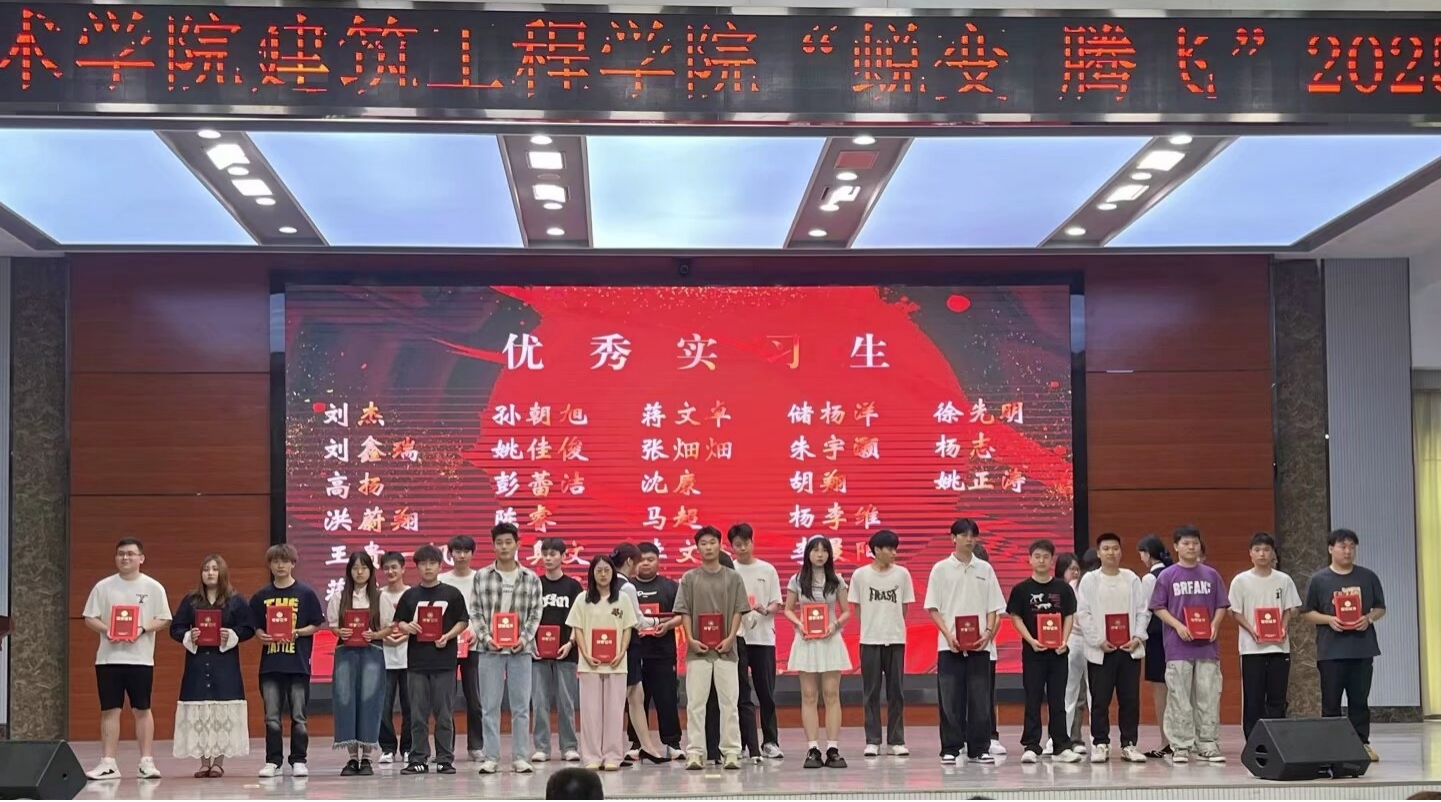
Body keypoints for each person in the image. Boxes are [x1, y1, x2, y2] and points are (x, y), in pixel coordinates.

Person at [82, 537, 173, 781]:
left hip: (141, 660)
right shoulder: (103, 586)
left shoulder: (153, 587)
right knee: (109, 710)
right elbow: (90, 617)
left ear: (141, 558)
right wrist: (107, 630)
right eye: (121, 553)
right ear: (115, 558)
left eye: (131, 554)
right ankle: (108, 763)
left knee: (142, 709)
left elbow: (164, 619)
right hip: (108, 659)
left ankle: (146, 762)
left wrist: (142, 628)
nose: (125, 557)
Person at [924, 518, 1005, 765]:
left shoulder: (985, 569)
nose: (969, 539)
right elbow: (933, 608)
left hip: (980, 645)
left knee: (980, 698)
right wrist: (947, 634)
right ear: (953, 538)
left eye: (973, 535)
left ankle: (980, 748)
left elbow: (994, 607)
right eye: (964, 535)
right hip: (949, 645)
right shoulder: (940, 569)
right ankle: (951, 747)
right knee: (950, 698)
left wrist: (988, 633)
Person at [1301, 528, 1386, 762]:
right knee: (1331, 702)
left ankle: (1362, 744)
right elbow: (1307, 613)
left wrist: (1368, 618)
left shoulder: (1368, 577)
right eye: (1342, 546)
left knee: (1359, 701)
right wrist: (1329, 619)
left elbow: (1380, 608)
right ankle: (1331, 747)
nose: (1348, 551)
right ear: (1331, 549)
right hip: (1331, 651)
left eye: (1352, 547)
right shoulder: (1319, 579)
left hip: (1362, 649)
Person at [1148, 525, 1228, 764]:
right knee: (1179, 697)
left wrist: (1214, 624)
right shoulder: (1167, 575)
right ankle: (1180, 746)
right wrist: (1178, 626)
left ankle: (1207, 744)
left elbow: (1222, 605)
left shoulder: (1211, 575)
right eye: (1185, 543)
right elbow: (1158, 607)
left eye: (1195, 543)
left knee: (1208, 696)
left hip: (1207, 648)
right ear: (1176, 546)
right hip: (1177, 647)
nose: (1191, 547)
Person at [674, 525, 750, 770]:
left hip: (726, 651)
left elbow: (738, 610)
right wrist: (690, 638)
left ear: (720, 545)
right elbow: (684, 611)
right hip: (697, 652)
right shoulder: (689, 578)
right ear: (697, 548)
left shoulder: (733, 577)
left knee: (730, 704)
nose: (708, 547)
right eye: (703, 543)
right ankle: (695, 752)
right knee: (695, 704)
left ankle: (731, 751)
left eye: (712, 542)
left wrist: (730, 638)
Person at [170, 554, 252, 778]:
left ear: (222, 573)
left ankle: (218, 763)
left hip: (225, 665)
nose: (210, 573)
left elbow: (248, 628)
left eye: (215, 569)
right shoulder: (191, 600)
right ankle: (204, 763)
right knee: (201, 712)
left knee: (221, 712)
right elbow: (175, 628)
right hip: (197, 664)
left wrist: (231, 634)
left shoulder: (236, 600)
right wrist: (189, 635)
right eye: (206, 569)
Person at [472, 523, 544, 774]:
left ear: (517, 544)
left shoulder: (531, 578)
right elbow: (475, 611)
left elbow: (536, 613)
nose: (504, 547)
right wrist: (486, 637)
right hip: (489, 650)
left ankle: (520, 757)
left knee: (521, 707)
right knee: (489, 707)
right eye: (499, 542)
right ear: (493, 546)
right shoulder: (482, 576)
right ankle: (491, 757)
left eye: (508, 542)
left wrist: (523, 639)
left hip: (520, 651)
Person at [250, 543, 325, 778]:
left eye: (284, 561)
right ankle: (273, 761)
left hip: (298, 664)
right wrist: (260, 634)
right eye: (275, 561)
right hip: (271, 666)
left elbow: (316, 624)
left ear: (293, 563)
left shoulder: (306, 594)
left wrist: (298, 632)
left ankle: (299, 760)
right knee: (271, 718)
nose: (280, 565)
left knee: (299, 717)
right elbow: (255, 626)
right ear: (269, 565)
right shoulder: (261, 596)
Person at [394, 544, 470, 775]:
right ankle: (418, 758)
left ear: (439, 565)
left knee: (444, 714)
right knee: (418, 715)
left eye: (432, 563)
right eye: (423, 564)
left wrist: (448, 636)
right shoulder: (410, 595)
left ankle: (445, 758)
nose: (428, 568)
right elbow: (399, 622)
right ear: (417, 567)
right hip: (417, 664)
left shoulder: (452, 594)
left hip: (444, 662)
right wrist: (408, 627)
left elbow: (463, 621)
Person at [1075, 533, 1148, 763]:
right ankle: (1100, 743)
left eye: (1115, 548)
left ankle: (1129, 744)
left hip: (1129, 649)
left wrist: (1137, 637)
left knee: (1130, 700)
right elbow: (1083, 613)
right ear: (1098, 553)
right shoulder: (1090, 580)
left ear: (1121, 552)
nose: (1111, 552)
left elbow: (1142, 611)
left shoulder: (1131, 578)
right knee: (1100, 700)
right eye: (1106, 548)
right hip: (1101, 651)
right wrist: (1098, 640)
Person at [1007, 540, 1081, 764]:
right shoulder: (1021, 590)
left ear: (1051, 561)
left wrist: (1064, 640)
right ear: (1029, 560)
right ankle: (1031, 745)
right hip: (1033, 654)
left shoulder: (1063, 589)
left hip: (1058, 653)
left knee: (1058, 700)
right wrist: (1030, 640)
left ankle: (1061, 746)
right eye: (1037, 556)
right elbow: (1015, 617)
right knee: (1033, 699)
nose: (1041, 560)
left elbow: (1069, 616)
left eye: (1046, 557)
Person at [785, 536, 852, 769]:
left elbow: (846, 611)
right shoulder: (797, 580)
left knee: (831, 694)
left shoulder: (837, 580)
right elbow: (788, 609)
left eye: (824, 550)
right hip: (806, 641)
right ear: (807, 554)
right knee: (809, 695)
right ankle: (812, 749)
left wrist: (835, 625)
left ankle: (833, 748)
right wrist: (799, 624)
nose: (820, 554)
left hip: (830, 640)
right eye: (815, 550)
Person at [1228, 532, 1302, 741]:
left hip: (1279, 647)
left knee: (1277, 698)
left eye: (1266, 550)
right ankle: (1254, 742)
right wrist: (1252, 630)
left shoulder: (1284, 580)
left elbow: (1292, 608)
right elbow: (1234, 611)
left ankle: (1278, 740)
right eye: (1257, 550)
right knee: (1253, 698)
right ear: (1250, 553)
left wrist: (1282, 627)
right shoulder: (1240, 581)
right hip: (1251, 649)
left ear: (1273, 553)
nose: (1262, 554)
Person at [567, 555, 638, 770]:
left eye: (607, 570)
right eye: (599, 570)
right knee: (590, 713)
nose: (603, 574)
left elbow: (627, 628)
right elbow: (578, 629)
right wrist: (586, 654)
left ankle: (613, 756)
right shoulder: (582, 599)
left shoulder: (622, 599)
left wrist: (621, 652)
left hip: (617, 663)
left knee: (615, 712)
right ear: (592, 574)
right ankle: (591, 756)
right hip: (590, 664)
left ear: (613, 573)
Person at [848, 529, 914, 757]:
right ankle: (873, 740)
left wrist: (891, 625)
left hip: (896, 639)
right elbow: (857, 607)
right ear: (876, 550)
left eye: (896, 549)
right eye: (889, 549)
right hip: (870, 640)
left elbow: (904, 607)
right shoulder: (860, 575)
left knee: (896, 692)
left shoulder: (902, 574)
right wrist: (872, 626)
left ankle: (896, 740)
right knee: (871, 692)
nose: (894, 553)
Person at [327, 551, 387, 775]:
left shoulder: (379, 597)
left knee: (369, 701)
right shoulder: (339, 597)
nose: (359, 572)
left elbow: (389, 627)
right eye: (355, 568)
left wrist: (375, 634)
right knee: (346, 700)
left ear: (371, 570)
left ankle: (368, 758)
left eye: (364, 567)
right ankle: (352, 758)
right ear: (349, 571)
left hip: (372, 653)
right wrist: (339, 631)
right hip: (346, 653)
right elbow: (334, 626)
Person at [729, 523, 784, 759]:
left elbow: (777, 603)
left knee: (766, 692)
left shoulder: (767, 569)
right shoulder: (729, 570)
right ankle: (743, 742)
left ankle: (770, 741)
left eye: (745, 543)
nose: (742, 548)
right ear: (731, 547)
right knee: (740, 694)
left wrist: (765, 610)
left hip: (763, 638)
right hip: (737, 638)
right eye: (737, 545)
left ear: (753, 542)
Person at [611, 543, 668, 765]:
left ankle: (647, 747)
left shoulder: (610, 582)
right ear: (629, 561)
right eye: (637, 561)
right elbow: (637, 620)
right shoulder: (627, 587)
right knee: (622, 698)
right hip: (630, 645)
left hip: (615, 644)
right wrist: (659, 620)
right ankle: (612, 750)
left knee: (637, 697)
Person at [630, 541, 684, 759]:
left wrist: (667, 626)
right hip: (634, 653)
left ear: (658, 561)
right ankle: (636, 744)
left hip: (663, 653)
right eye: (641, 560)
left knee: (667, 699)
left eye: (650, 559)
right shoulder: (626, 588)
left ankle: (672, 743)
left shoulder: (670, 587)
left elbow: (682, 615)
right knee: (635, 700)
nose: (645, 563)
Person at [533, 537, 584, 764]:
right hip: (537, 654)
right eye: (545, 554)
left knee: (566, 702)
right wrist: (531, 643)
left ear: (564, 556)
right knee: (539, 702)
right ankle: (542, 747)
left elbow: (578, 619)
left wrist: (571, 643)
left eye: (553, 554)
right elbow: (528, 617)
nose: (548, 558)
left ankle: (569, 747)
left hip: (566, 652)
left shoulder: (573, 586)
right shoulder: (535, 585)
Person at [705, 552, 759, 763]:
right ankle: (713, 751)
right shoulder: (701, 589)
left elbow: (751, 621)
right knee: (713, 699)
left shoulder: (737, 588)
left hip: (735, 645)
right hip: (708, 646)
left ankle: (752, 749)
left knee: (740, 697)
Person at [439, 534, 485, 762]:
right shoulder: (442, 580)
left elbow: (485, 611)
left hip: (474, 645)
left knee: (474, 699)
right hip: (446, 645)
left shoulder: (480, 579)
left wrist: (477, 632)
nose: (462, 555)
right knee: (445, 700)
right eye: (457, 551)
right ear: (451, 554)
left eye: (466, 551)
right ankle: (445, 747)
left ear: (472, 554)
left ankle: (476, 746)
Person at [1054, 550, 1096, 756]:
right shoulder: (1071, 586)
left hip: (1096, 641)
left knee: (1093, 693)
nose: (1077, 573)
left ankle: (1098, 741)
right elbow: (1071, 615)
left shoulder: (1098, 584)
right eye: (1073, 569)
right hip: (1075, 639)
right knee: (1069, 692)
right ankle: (1060, 740)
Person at [1137, 534, 1173, 759]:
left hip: (1157, 638)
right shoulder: (1174, 572)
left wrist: (1137, 637)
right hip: (1176, 636)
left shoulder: (1150, 578)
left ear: (1147, 554)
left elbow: (1145, 610)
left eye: (1141, 554)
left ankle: (1166, 741)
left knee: (1161, 691)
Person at [377, 551, 412, 765]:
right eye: (386, 568)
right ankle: (387, 748)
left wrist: (406, 635)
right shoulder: (378, 595)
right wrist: (384, 636)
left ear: (403, 568)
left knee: (411, 706)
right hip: (384, 657)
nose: (390, 571)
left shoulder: (412, 593)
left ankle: (408, 748)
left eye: (394, 567)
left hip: (409, 658)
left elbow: (420, 624)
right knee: (383, 706)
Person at [971, 541, 1005, 757]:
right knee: (964, 697)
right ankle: (965, 738)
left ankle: (991, 736)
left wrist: (987, 636)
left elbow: (998, 614)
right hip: (959, 650)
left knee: (986, 695)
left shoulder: (988, 578)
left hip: (986, 649)